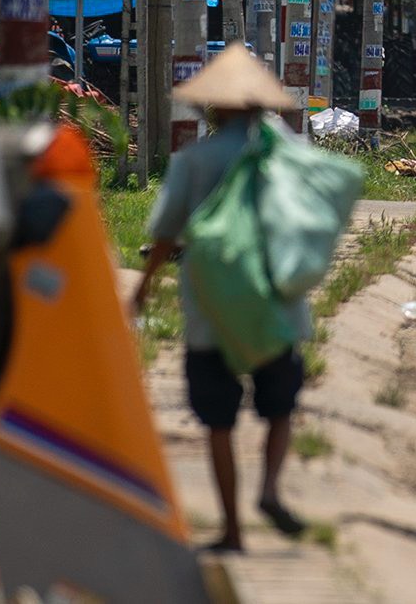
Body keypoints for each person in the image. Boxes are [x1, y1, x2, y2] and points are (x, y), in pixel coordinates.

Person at [132, 46, 309, 553]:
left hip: (210, 306)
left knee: (218, 420)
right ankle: (271, 488)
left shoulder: (195, 161)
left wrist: (142, 289)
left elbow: (165, 234)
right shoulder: (287, 157)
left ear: (215, 107)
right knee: (279, 407)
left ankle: (231, 529)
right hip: (275, 301)